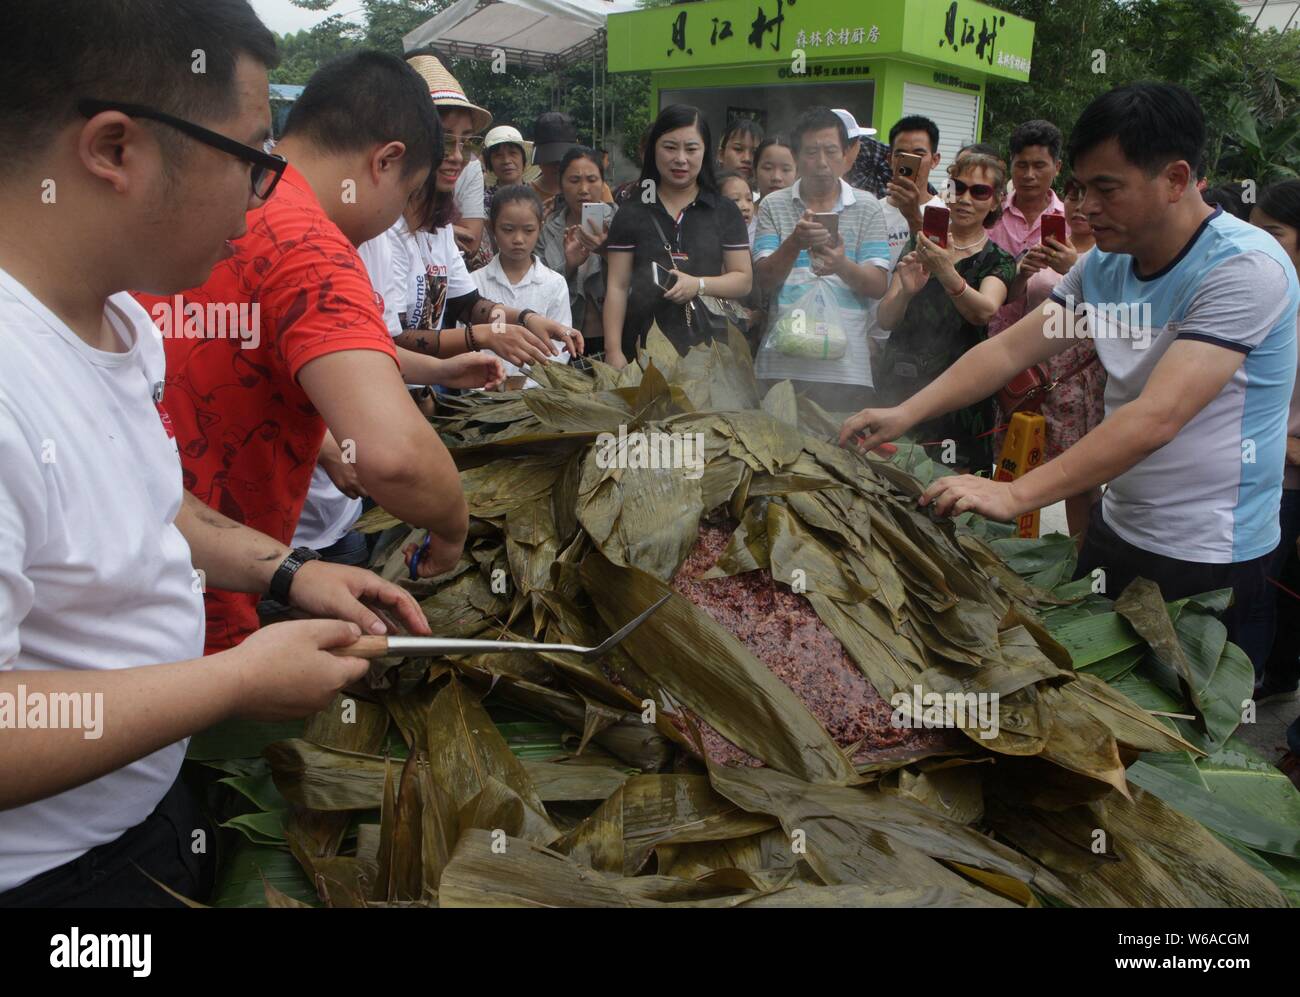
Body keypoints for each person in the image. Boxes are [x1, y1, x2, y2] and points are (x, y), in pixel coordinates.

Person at [0, 0, 429, 906]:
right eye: (252, 158)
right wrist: (231, 681)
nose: (264, 193)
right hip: (50, 879)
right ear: (116, 149)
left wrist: (290, 573)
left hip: (141, 814)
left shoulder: (120, 321)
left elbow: (156, 504)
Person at [840, 82, 1300, 671]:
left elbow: (1158, 416)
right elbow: (1007, 351)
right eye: (1080, 188)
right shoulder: (1106, 265)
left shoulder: (1245, 268)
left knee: (1183, 723)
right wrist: (905, 412)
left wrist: (1015, 493)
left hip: (1212, 551)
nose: (1084, 209)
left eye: (1106, 189)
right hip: (1120, 522)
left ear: (1177, 180)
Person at [145, 50, 480, 656]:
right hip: (191, 611)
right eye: (404, 195)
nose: (390, 221)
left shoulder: (221, 208)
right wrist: (452, 529)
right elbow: (396, 458)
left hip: (153, 557)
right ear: (386, 161)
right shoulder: (314, 247)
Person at [874, 151, 1017, 471]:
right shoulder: (919, 243)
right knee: (887, 481)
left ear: (995, 202)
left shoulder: (999, 259)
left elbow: (984, 311)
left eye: (979, 191)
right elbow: (885, 318)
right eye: (957, 188)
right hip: (902, 381)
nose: (965, 198)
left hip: (960, 394)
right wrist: (907, 293)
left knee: (954, 496)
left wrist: (945, 268)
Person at [752, 106, 891, 412]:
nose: (822, 162)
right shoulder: (774, 205)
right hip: (780, 365)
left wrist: (841, 265)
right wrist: (794, 243)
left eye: (830, 151)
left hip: (848, 370)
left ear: (846, 154)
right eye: (812, 152)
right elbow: (764, 280)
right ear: (798, 157)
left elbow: (878, 285)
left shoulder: (868, 207)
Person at [602, 104, 753, 366]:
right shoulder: (632, 211)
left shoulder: (723, 209)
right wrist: (613, 351)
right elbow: (617, 286)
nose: (681, 159)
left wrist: (699, 285)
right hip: (641, 352)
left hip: (710, 353)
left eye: (691, 149)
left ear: (705, 152)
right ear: (653, 150)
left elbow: (743, 280)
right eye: (670, 147)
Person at [1006, 175, 1108, 543]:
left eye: (1090, 194)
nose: (1080, 205)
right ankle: (1020, 548)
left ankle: (1081, 557)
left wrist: (1074, 268)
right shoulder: (1044, 243)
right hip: (1034, 373)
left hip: (1080, 378)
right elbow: (1014, 306)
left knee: (1076, 476)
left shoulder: (1111, 257)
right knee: (1022, 460)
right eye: (1073, 194)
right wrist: (1021, 274)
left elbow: (1122, 323)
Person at [1249, 179, 1300, 774]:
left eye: (1273, 234)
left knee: (1268, 589)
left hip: (1283, 475)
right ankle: (1268, 678)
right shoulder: (1262, 292)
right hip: (1271, 475)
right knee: (1268, 585)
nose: (1256, 245)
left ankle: (1259, 678)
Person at [474, 185, 574, 387]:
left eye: (528, 230)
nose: (518, 239)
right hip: (483, 393)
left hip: (537, 398)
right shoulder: (474, 283)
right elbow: (467, 343)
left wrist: (527, 385)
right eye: (508, 230)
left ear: (541, 227)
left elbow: (559, 350)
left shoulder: (554, 284)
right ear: (492, 227)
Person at [406, 54, 493, 269]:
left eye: (467, 143)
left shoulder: (440, 226)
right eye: (444, 140)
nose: (456, 156)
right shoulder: (380, 229)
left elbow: (467, 299)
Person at [987, 119, 1066, 336]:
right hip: (984, 337)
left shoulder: (1073, 222)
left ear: (1057, 167)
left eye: (1039, 166)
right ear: (1010, 164)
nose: (1029, 175)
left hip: (1046, 343)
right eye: (1022, 165)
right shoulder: (989, 214)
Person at [538, 146, 615, 347]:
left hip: (615, 341)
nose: (583, 189)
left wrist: (606, 253)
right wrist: (569, 266)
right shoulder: (547, 231)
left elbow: (639, 281)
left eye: (592, 180)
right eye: (574, 180)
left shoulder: (622, 223)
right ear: (561, 185)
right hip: (565, 343)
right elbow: (539, 290)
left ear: (603, 183)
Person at [716, 117, 763, 187]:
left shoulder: (767, 197)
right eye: (738, 149)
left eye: (754, 152)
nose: (747, 158)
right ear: (721, 155)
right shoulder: (705, 194)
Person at [754, 135, 797, 201]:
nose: (776, 177)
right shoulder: (741, 210)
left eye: (785, 169)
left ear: (798, 174)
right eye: (768, 168)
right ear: (755, 172)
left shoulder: (808, 211)